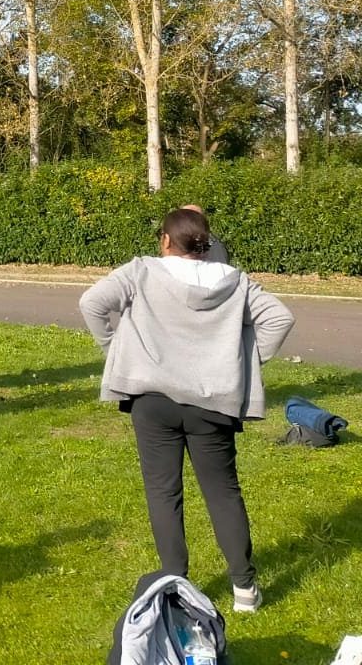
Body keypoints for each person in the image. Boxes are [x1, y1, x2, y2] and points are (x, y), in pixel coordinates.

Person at [79, 207, 294, 614]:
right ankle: (245, 589)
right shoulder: (237, 282)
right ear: (207, 244)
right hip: (213, 402)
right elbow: (280, 319)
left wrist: (117, 353)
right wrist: (244, 364)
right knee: (223, 493)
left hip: (152, 401)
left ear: (165, 240)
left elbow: (92, 303)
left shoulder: (140, 271)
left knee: (164, 492)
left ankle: (176, 585)